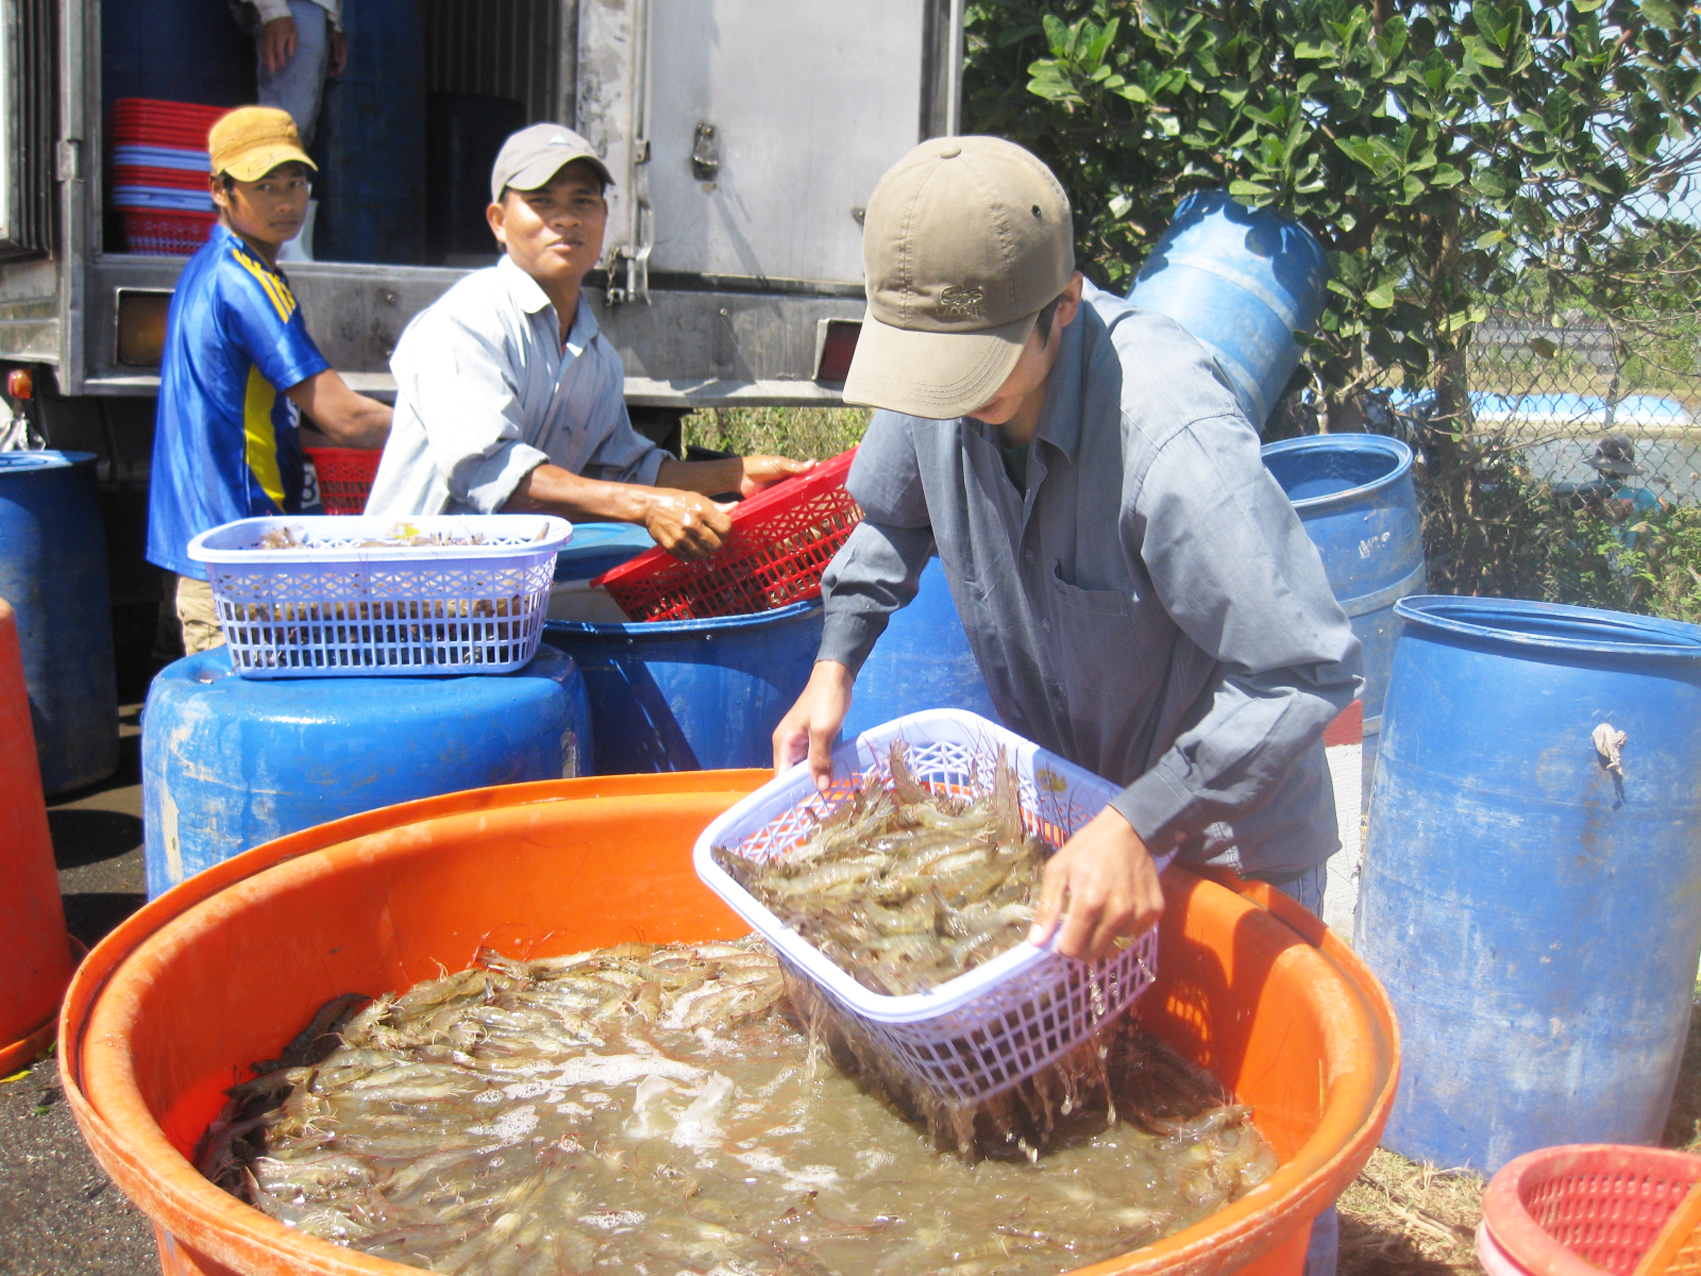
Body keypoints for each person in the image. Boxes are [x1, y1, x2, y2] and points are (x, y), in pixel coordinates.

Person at [770, 140, 1360, 1272]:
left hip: (1229, 836)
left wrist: (1143, 820)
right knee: (1093, 1146)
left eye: (979, 369)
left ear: (1065, 309)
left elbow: (1307, 667)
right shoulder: (941, 373)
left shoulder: (1174, 437)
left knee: (1255, 1162)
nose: (950, 401)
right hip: (1075, 824)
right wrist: (836, 662)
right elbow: (888, 523)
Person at [364, 124, 812, 558]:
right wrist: (646, 508)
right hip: (404, 593)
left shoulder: (595, 354)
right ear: (499, 222)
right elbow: (490, 472)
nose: (567, 219)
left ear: (603, 218)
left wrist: (737, 473)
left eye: (583, 201)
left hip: (500, 596)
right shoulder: (468, 319)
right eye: (542, 202)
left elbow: (622, 470)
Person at [146, 107, 392, 655]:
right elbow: (342, 415)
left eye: (296, 182)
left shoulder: (215, 266)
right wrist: (439, 432)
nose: (285, 202)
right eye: (264, 186)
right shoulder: (242, 282)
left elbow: (271, 413)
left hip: (215, 544)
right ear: (220, 190)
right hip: (234, 554)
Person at [233, 0, 345, 149]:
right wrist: (274, 11)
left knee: (297, 136)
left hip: (314, 11)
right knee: (284, 132)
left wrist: (335, 24)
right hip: (291, 8)